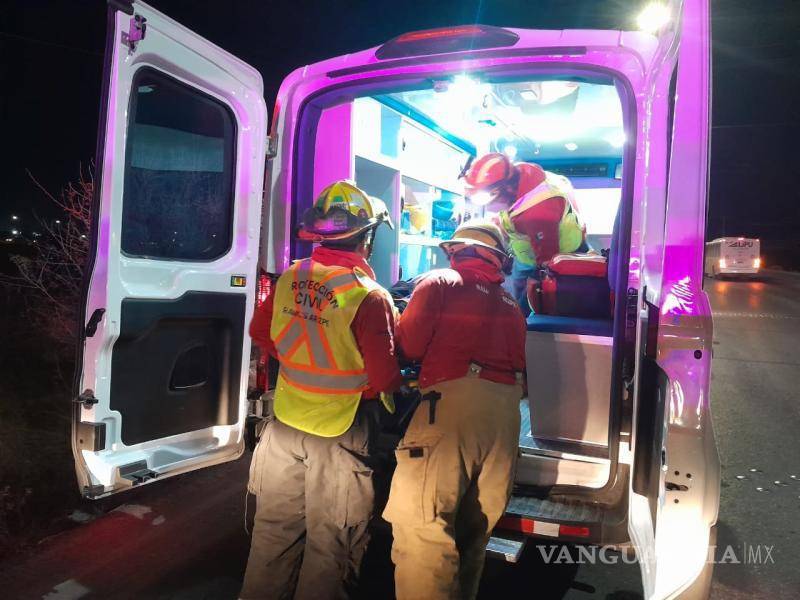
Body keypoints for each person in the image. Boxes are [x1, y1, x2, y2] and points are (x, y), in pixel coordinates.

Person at [241, 180, 403, 600]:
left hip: (285, 425)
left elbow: (262, 332)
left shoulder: (291, 276)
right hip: (341, 430)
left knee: (273, 535)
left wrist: (306, 361)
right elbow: (385, 379)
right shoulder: (369, 296)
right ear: (366, 237)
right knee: (332, 543)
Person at [383, 221, 527, 600]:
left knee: (423, 530)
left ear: (455, 251)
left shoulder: (440, 283)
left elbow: (410, 346)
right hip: (505, 418)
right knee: (471, 535)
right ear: (498, 259)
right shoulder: (513, 306)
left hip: (452, 413)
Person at [463, 153, 587, 313]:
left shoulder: (538, 213)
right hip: (526, 252)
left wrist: (537, 284)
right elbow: (512, 212)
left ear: (504, 189)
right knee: (521, 289)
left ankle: (526, 324)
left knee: (530, 303)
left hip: (559, 252)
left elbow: (547, 259)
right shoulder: (520, 174)